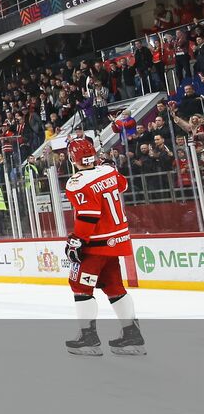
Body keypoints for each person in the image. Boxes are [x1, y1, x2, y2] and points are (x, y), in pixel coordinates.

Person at [63, 137, 146, 356]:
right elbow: (124, 185)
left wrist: (77, 240)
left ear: (73, 159)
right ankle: (132, 336)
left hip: (96, 244)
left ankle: (89, 339)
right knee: (114, 286)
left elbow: (89, 214)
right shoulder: (109, 171)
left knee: (79, 285)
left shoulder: (77, 181)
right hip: (117, 240)